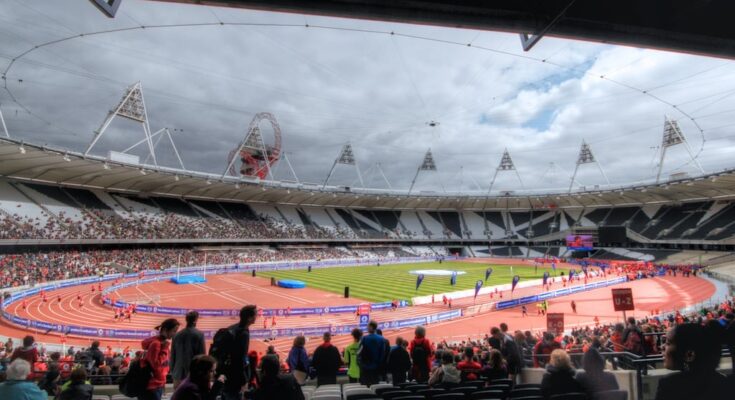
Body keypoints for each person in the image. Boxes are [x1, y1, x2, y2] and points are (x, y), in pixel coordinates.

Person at [655, 323, 732, 400]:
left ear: (689, 355)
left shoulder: (669, 385)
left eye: (668, 343)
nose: (662, 347)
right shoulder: (725, 382)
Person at [218, 304, 257, 400]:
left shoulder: (233, 327)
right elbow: (240, 358)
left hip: (226, 370)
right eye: (255, 315)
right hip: (235, 376)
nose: (256, 317)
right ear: (249, 318)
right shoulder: (243, 334)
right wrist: (244, 380)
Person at [140, 318, 181, 400]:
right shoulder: (156, 344)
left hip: (158, 385)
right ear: (165, 330)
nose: (175, 334)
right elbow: (155, 365)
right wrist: (164, 349)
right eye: (174, 331)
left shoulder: (162, 343)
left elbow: (163, 366)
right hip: (152, 387)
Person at [171, 311, 206, 389]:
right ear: (195, 320)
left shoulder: (177, 335)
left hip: (177, 374)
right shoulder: (199, 335)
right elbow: (202, 356)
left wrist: (173, 372)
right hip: (193, 375)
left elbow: (172, 355)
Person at [357, 320, 386, 386]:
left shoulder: (364, 338)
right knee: (375, 386)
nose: (367, 328)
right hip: (376, 367)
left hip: (365, 368)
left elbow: (358, 353)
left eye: (368, 326)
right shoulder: (381, 339)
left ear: (371, 327)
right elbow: (382, 354)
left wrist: (361, 364)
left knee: (365, 387)